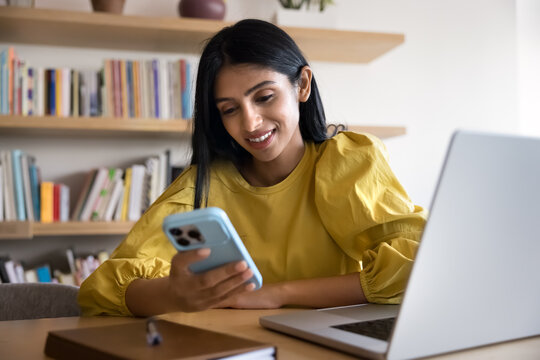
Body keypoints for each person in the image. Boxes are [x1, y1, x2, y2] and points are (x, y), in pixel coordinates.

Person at [78, 19, 427, 317]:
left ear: (302, 85)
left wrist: (279, 294)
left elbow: (416, 265)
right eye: (230, 109)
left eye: (264, 97)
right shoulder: (201, 186)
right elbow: (101, 288)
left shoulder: (347, 161)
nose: (251, 123)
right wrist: (173, 295)